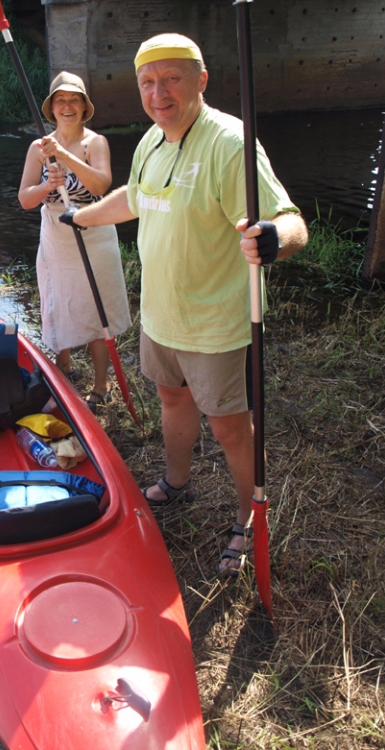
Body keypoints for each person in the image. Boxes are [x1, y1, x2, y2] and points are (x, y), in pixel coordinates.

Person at [59, 34, 308, 574]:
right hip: (161, 314)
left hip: (216, 321)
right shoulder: (151, 139)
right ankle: (176, 481)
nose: (158, 92)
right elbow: (136, 196)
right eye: (148, 82)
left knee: (229, 427)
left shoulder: (231, 143)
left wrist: (273, 239)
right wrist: (83, 217)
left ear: (200, 80)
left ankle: (248, 517)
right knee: (171, 400)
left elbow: (292, 221)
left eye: (171, 79)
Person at [19, 72, 131, 413]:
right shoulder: (38, 147)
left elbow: (100, 186)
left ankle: (102, 384)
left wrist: (65, 158)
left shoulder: (94, 143)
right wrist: (47, 186)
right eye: (61, 100)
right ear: (51, 107)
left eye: (74, 100)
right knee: (57, 301)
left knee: (96, 310)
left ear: (84, 107)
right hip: (55, 236)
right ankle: (63, 367)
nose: (67, 106)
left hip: (93, 233)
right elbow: (25, 199)